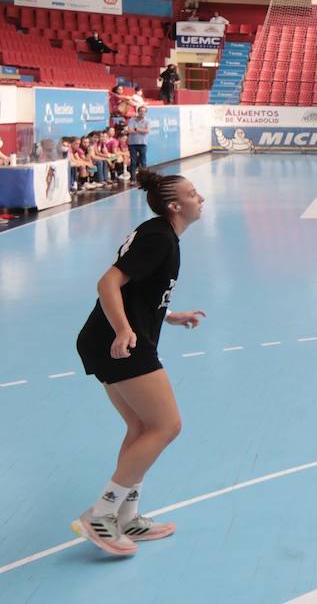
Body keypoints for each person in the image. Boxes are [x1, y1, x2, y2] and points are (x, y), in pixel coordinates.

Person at [72, 170, 206, 556]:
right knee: (167, 426)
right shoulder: (159, 237)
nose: (200, 199)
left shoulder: (162, 236)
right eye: (192, 194)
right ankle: (101, 514)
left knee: (141, 425)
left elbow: (139, 293)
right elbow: (108, 283)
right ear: (175, 206)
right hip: (116, 342)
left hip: (104, 341)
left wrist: (168, 314)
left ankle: (127, 516)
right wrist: (123, 331)